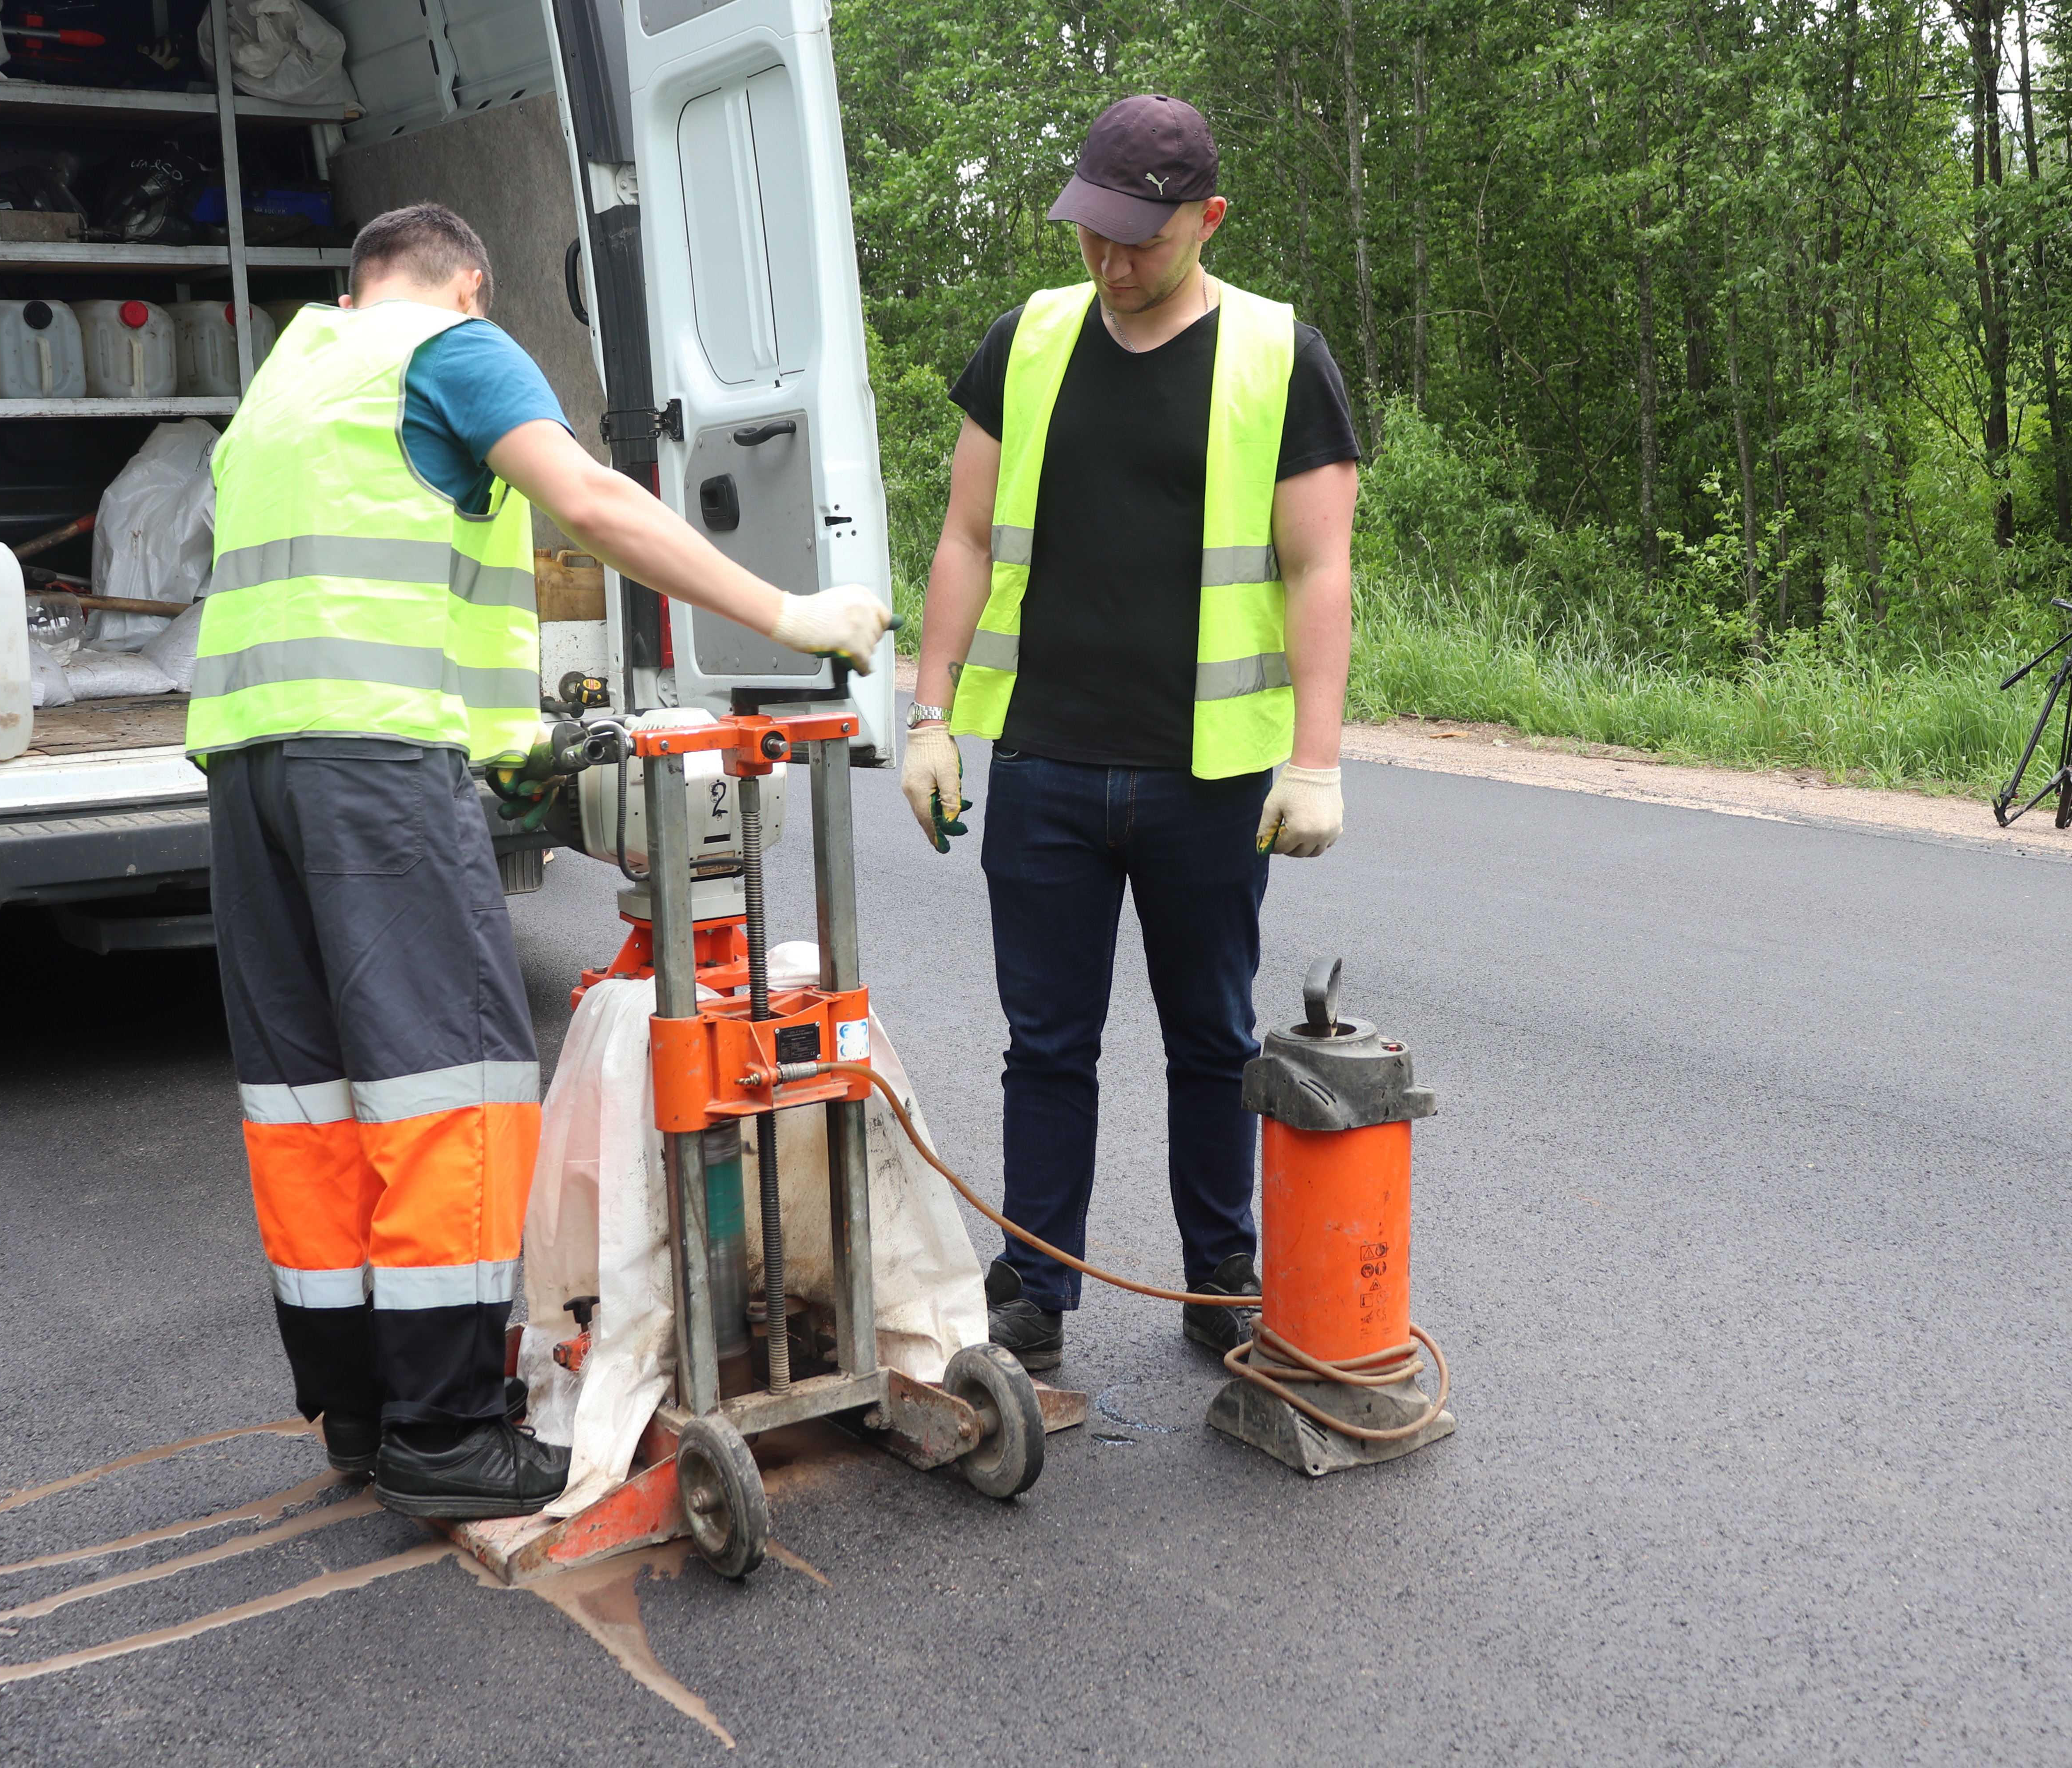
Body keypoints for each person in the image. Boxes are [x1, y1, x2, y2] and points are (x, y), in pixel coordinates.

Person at [189, 203, 888, 1518]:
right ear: (471, 279)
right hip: (375, 772)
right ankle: (451, 1433)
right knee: (449, 1082)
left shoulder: (285, 383)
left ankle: (366, 1414)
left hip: (249, 770)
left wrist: (509, 740)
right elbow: (591, 498)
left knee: (313, 1102)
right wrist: (793, 614)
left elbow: (367, 587)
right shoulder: (451, 346)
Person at [905, 96, 1360, 1372]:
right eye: (1093, 234)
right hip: (1044, 759)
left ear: (1206, 221)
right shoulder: (1031, 340)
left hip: (1204, 776)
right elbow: (962, 536)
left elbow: (1320, 568)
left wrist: (1317, 763)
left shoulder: (1279, 355)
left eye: (1141, 242)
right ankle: (1035, 1289)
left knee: (1212, 1040)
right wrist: (929, 717)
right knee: (1047, 1045)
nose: (1111, 264)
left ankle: (1221, 1280)